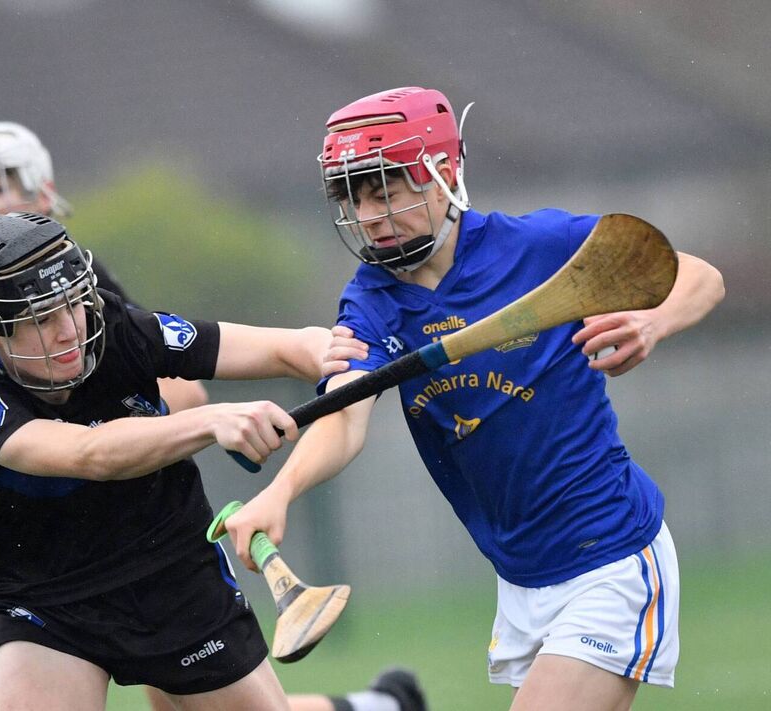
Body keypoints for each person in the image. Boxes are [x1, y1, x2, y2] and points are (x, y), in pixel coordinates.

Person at [223, 86, 727, 711]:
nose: (370, 214)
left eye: (386, 190)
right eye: (355, 196)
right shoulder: (372, 300)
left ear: (445, 175)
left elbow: (700, 277)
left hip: (611, 556)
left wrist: (651, 322)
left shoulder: (538, 246)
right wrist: (282, 490)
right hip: (519, 579)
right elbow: (346, 415)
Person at [0, 210, 428, 710]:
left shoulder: (116, 327)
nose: (69, 329)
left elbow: (286, 348)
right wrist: (211, 422)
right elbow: (88, 453)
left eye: (73, 303)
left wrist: (346, 360)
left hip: (173, 575)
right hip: (44, 600)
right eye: (43, 318)